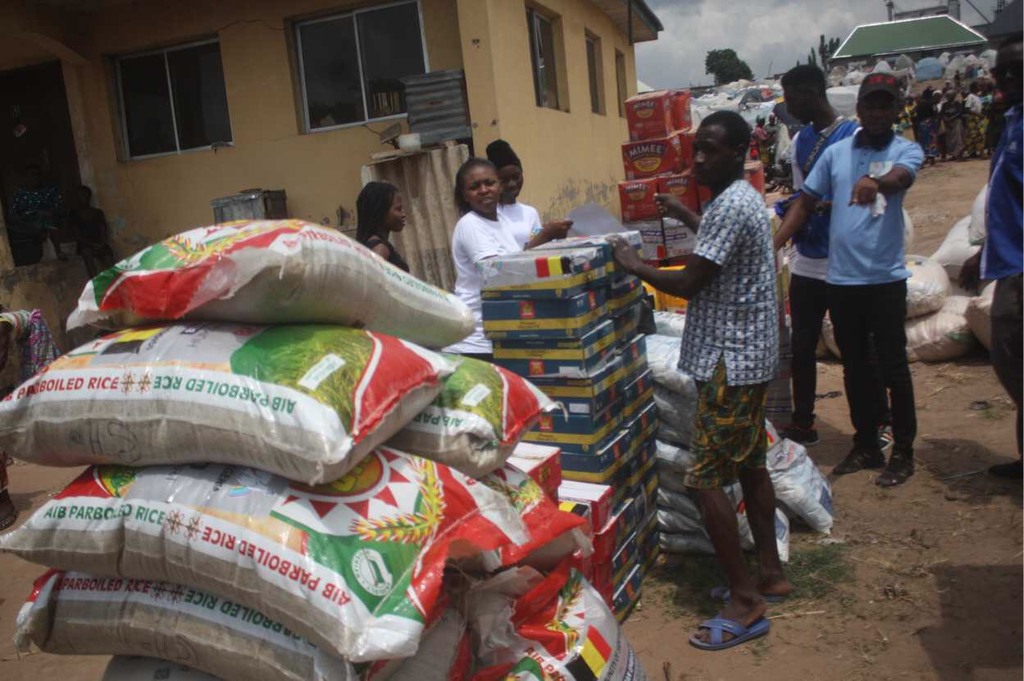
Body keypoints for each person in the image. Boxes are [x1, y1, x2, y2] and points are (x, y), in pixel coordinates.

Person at [612, 111, 790, 651]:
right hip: (749, 357)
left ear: (739, 151)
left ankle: (744, 600)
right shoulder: (735, 202)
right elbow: (718, 241)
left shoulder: (733, 205)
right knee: (752, 463)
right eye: (697, 150)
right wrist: (683, 213)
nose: (700, 160)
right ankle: (770, 573)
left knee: (705, 478)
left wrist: (633, 265)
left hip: (729, 362)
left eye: (712, 150)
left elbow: (690, 281)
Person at [775, 73, 924, 488]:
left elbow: (900, 178)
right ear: (858, 109)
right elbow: (804, 204)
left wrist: (877, 182)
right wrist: (773, 244)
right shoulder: (835, 154)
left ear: (896, 110)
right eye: (871, 105)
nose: (877, 112)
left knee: (893, 367)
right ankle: (865, 446)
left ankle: (904, 452)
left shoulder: (905, 150)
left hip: (884, 281)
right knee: (854, 367)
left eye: (885, 105)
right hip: (842, 282)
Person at [772, 65, 859, 445]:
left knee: (855, 348)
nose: (789, 107)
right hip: (807, 259)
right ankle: (803, 422)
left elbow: (860, 195)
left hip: (844, 261)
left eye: (791, 98)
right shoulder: (800, 143)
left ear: (810, 92)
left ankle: (871, 426)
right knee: (803, 348)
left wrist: (822, 205)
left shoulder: (853, 136)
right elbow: (799, 200)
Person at [960, 33, 1023, 479]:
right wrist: (983, 251)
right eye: (1001, 70)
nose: (1006, 78)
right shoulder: (1014, 119)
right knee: (1010, 357)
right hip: (1008, 261)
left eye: (1016, 69)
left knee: (1011, 355)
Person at [444, 159, 570, 361]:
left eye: (489, 183)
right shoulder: (470, 225)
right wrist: (544, 237)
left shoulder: (500, 221)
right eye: (474, 187)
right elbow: (496, 274)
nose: (484, 190)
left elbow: (515, 260)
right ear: (465, 195)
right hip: (478, 339)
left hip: (501, 330)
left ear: (499, 186)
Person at [0, 308, 61, 530]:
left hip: (35, 339)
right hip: (27, 338)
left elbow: (1, 358)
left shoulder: (3, 325)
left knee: (41, 384)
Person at [485, 139, 572, 249]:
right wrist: (547, 233)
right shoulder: (490, 214)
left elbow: (538, 249)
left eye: (516, 177)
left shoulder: (530, 213)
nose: (512, 184)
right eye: (504, 180)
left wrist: (553, 234)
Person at [9, 165, 65, 266]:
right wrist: (26, 216)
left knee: (49, 223)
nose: (36, 177)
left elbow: (60, 208)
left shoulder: (50, 190)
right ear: (26, 177)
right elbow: (13, 215)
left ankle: (58, 251)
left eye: (38, 174)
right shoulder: (20, 193)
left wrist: (47, 213)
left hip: (47, 221)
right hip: (27, 223)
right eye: (32, 174)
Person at [355, 181, 409, 272]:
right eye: (398, 209)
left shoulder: (374, 245)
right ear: (381, 212)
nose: (403, 214)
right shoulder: (380, 249)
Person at [68, 185, 116, 277]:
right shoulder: (74, 214)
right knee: (87, 253)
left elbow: (103, 229)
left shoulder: (97, 213)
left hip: (99, 243)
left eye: (85, 195)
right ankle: (94, 282)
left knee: (108, 255)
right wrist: (93, 244)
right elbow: (77, 235)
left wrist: (101, 243)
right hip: (85, 244)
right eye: (80, 196)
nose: (83, 198)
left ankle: (113, 283)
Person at [916, 88, 940, 165]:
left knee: (924, 142)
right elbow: (934, 114)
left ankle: (927, 158)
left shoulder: (919, 106)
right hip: (930, 124)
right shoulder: (930, 104)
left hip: (922, 125)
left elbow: (918, 117)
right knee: (931, 141)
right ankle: (932, 159)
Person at [963, 81, 987, 158]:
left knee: (978, 135)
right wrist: (978, 115)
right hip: (973, 118)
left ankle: (975, 152)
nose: (979, 88)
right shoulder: (970, 97)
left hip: (978, 117)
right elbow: (967, 109)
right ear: (973, 88)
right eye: (978, 86)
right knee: (976, 135)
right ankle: (979, 153)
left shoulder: (977, 97)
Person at [941, 89, 965, 161]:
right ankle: (953, 155)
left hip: (956, 122)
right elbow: (942, 113)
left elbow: (959, 112)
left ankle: (959, 155)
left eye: (949, 96)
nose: (948, 97)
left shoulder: (957, 103)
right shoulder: (944, 105)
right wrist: (946, 119)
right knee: (950, 140)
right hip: (948, 124)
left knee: (958, 139)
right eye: (947, 96)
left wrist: (951, 118)